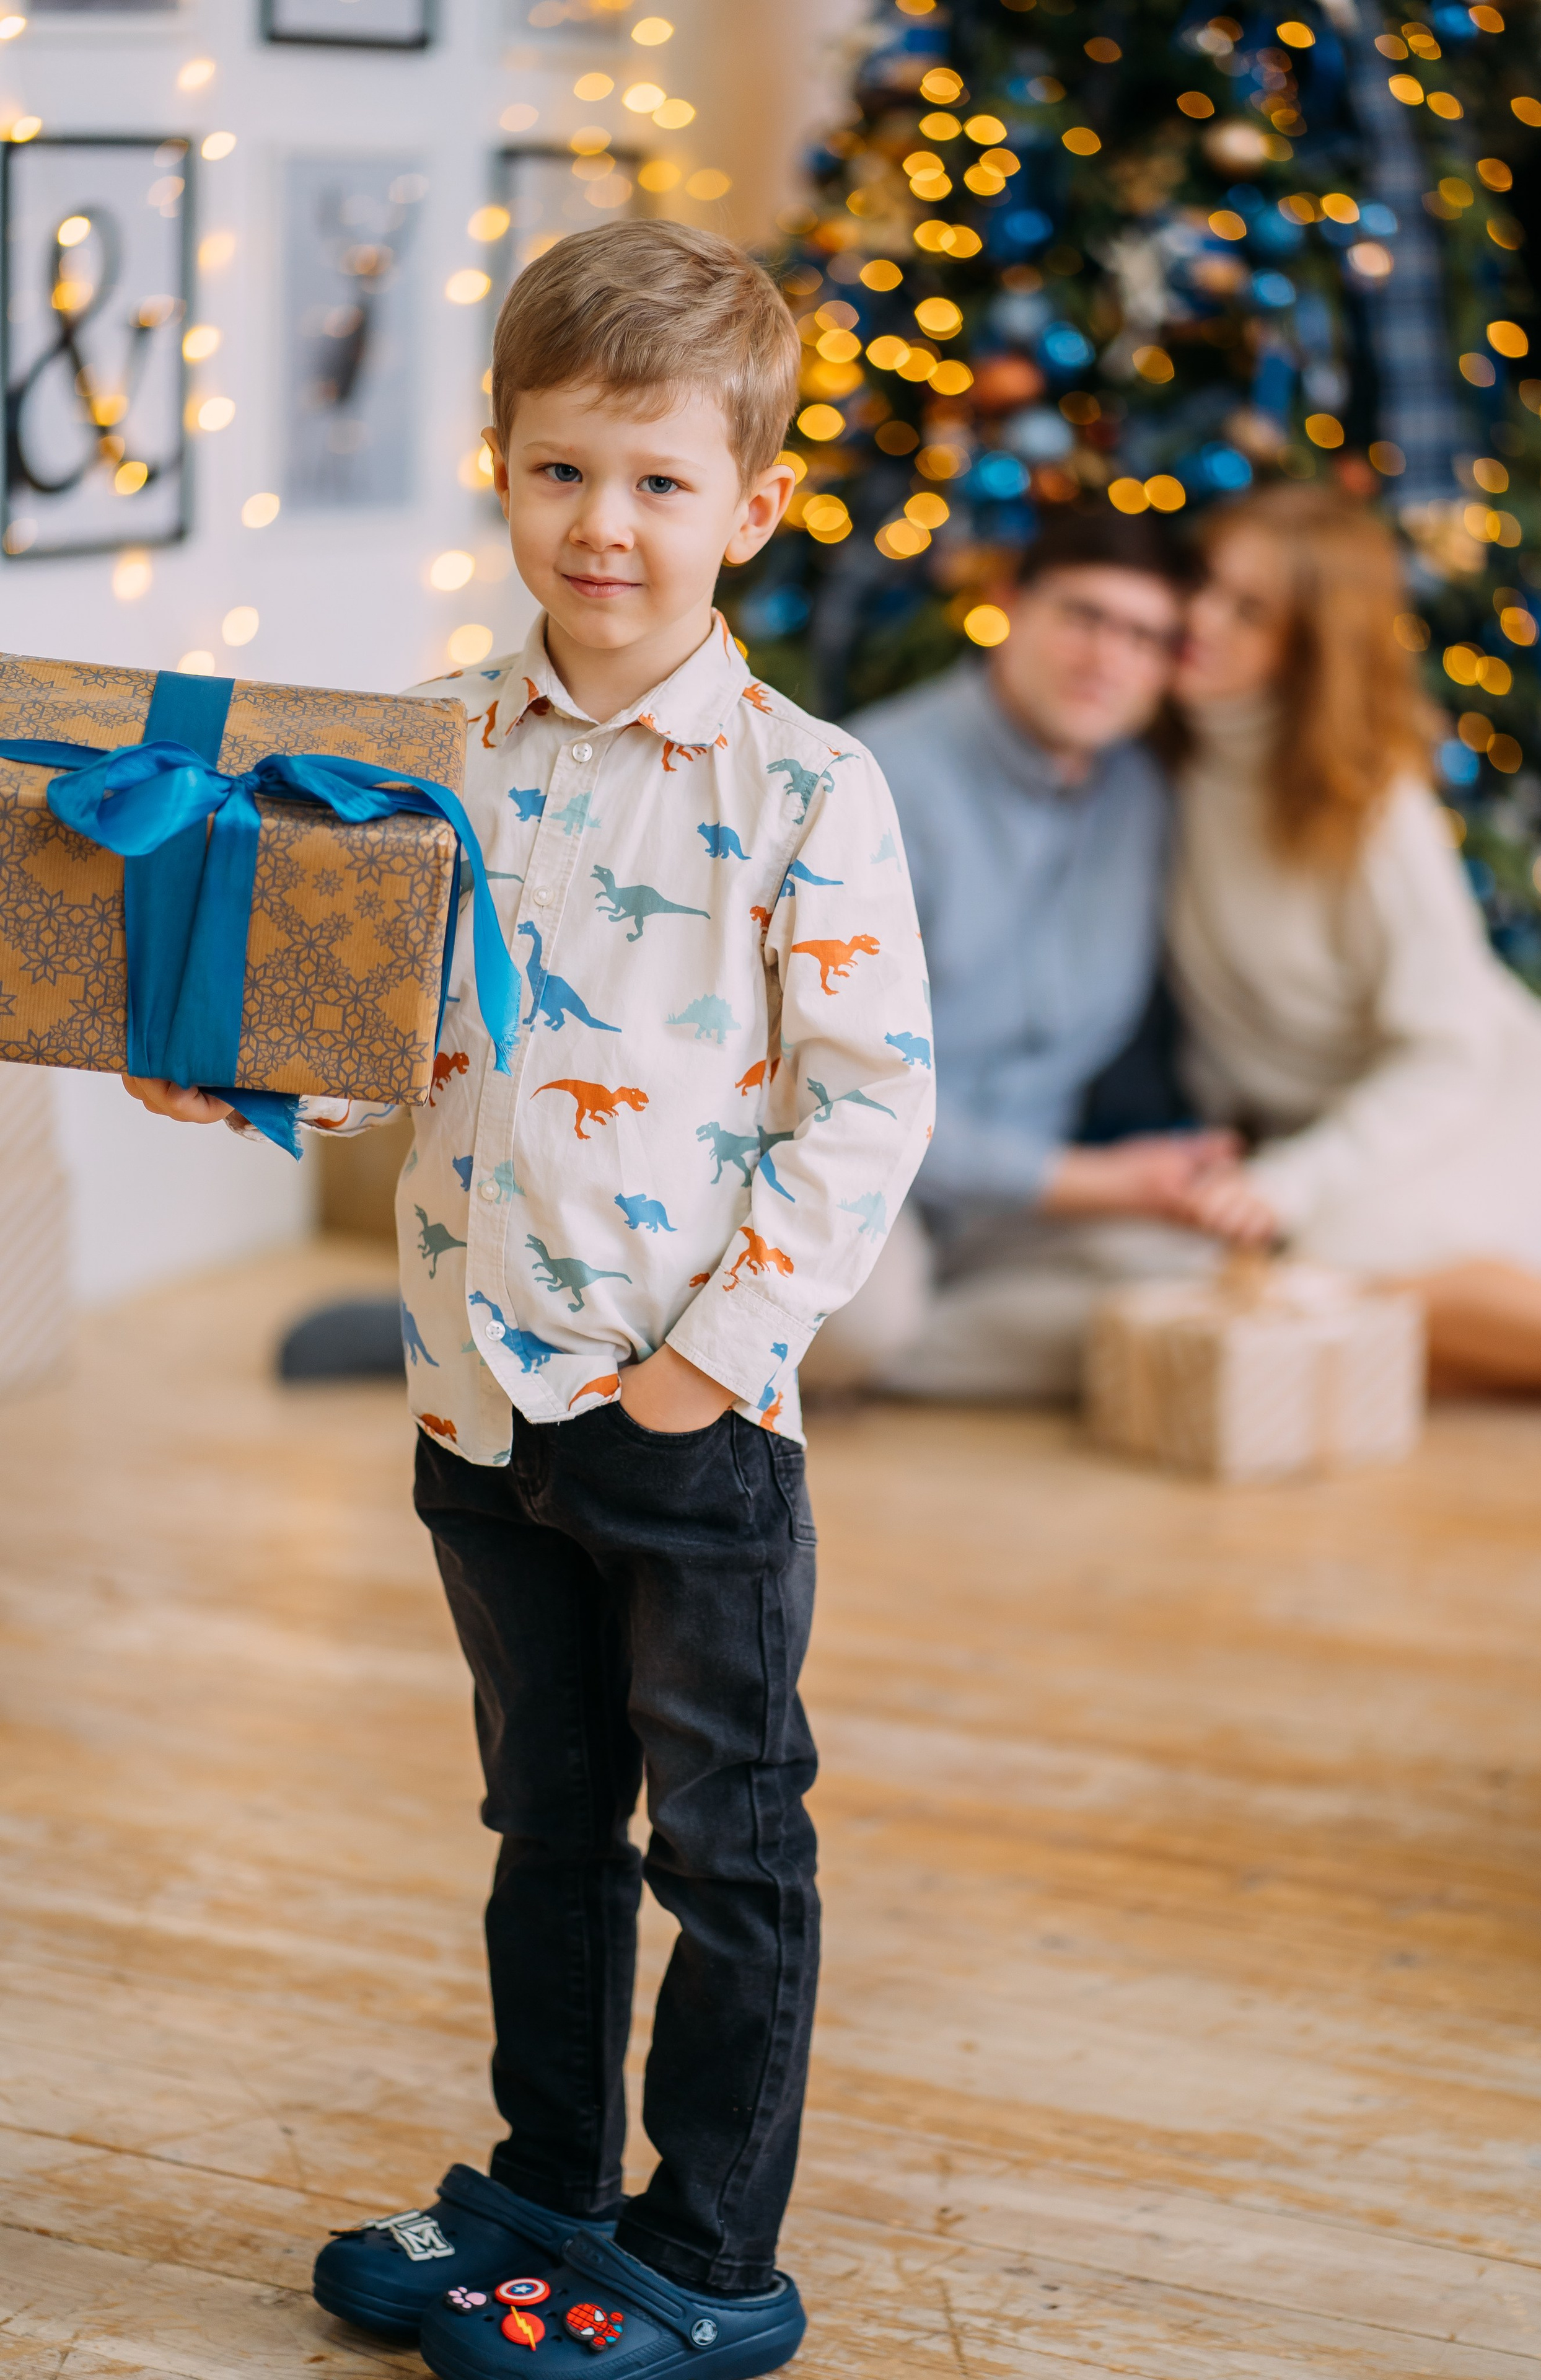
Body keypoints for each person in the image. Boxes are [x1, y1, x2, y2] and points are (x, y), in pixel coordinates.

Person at [121, 220, 934, 2379]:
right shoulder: (430, 751)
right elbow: (387, 1033)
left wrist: (707, 1365)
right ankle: (549, 2186)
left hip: (684, 1421)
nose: (609, 525)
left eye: (664, 482)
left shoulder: (809, 796)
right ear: (502, 468)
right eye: (568, 470)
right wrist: (242, 1082)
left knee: (725, 1839)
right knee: (543, 1818)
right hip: (473, 1396)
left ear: (754, 506)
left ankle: (706, 2252)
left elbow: (864, 1111)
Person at [801, 505, 1234, 1402]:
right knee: (865, 1319)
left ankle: (867, 1348)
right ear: (1010, 604)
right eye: (1084, 616)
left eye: (1147, 637)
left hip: (1010, 1208)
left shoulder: (1144, 799)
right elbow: (848, 1088)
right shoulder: (876, 781)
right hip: (853, 1172)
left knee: (1200, 1277)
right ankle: (856, 1339)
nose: (1109, 659)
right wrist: (1094, 1182)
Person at [1167, 481, 1541, 1393]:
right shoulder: (1174, 761)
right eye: (1201, 582)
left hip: (1496, 1101)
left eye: (1249, 610)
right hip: (1352, 1132)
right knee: (1300, 1287)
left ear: (1310, 647)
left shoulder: (1369, 806)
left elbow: (1449, 1054)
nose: (1197, 617)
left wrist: (1294, 1180)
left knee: (1332, 1270)